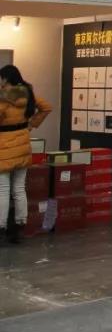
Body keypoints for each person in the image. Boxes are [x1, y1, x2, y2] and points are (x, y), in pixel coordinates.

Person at [0, 65, 52, 243]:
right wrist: (31, 125)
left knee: (3, 189)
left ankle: (1, 226)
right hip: (23, 144)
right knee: (19, 188)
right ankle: (20, 224)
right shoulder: (27, 93)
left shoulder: (4, 97)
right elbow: (46, 107)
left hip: (4, 147)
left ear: (6, 79)